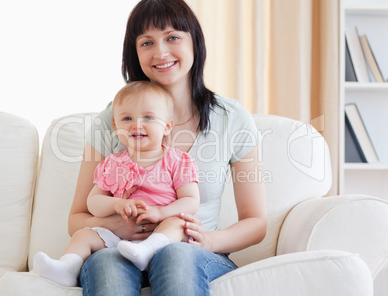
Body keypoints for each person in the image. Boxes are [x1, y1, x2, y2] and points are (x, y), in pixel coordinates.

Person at [69, 0, 268, 295]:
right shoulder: (110, 120)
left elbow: (256, 222)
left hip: (192, 252)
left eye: (173, 37)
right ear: (134, 53)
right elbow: (77, 219)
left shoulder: (232, 119)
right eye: (147, 42)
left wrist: (207, 240)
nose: (161, 52)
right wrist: (115, 227)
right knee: (108, 260)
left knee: (176, 254)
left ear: (194, 43)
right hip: (121, 248)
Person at [33, 81, 200, 287]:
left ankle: (147, 250)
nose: (136, 124)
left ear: (167, 126)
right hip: (120, 239)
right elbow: (93, 201)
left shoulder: (178, 160)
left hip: (163, 236)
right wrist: (116, 205)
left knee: (180, 223)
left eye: (148, 117)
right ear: (116, 126)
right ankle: (68, 267)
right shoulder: (112, 163)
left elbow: (191, 201)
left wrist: (160, 212)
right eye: (127, 118)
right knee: (84, 234)